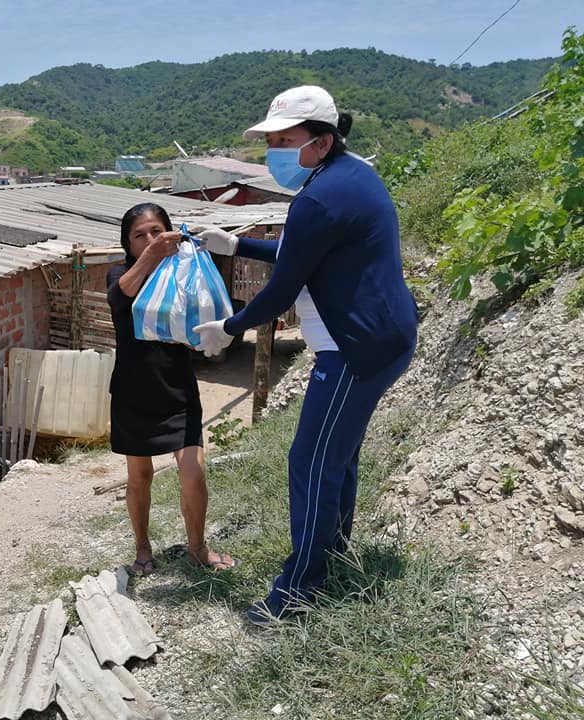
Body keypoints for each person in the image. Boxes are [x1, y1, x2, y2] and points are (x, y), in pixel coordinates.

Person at [193, 85, 418, 624]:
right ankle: (333, 553)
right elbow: (306, 247)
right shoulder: (348, 176)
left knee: (312, 461)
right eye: (270, 141)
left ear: (321, 140)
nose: (274, 150)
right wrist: (238, 244)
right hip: (380, 336)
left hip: (354, 350)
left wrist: (229, 328)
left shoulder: (319, 196)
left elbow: (282, 288)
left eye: (284, 140)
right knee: (335, 457)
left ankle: (299, 591)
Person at [107, 202, 236, 576]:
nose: (149, 239)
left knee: (193, 472)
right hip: (133, 392)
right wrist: (153, 253)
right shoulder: (121, 273)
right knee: (139, 478)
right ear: (127, 243)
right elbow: (120, 295)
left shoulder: (183, 275)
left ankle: (198, 548)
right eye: (139, 235)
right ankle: (142, 549)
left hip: (178, 390)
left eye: (156, 231)